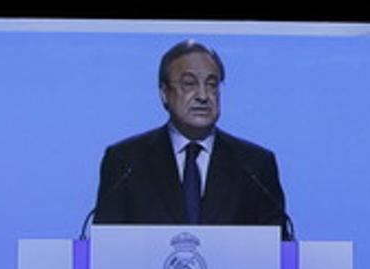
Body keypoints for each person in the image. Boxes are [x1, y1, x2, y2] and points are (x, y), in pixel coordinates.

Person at [92, 40, 289, 238]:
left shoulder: (255, 165)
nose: (203, 96)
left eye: (212, 85)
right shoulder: (125, 161)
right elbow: (104, 246)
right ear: (164, 93)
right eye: (189, 83)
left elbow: (279, 246)